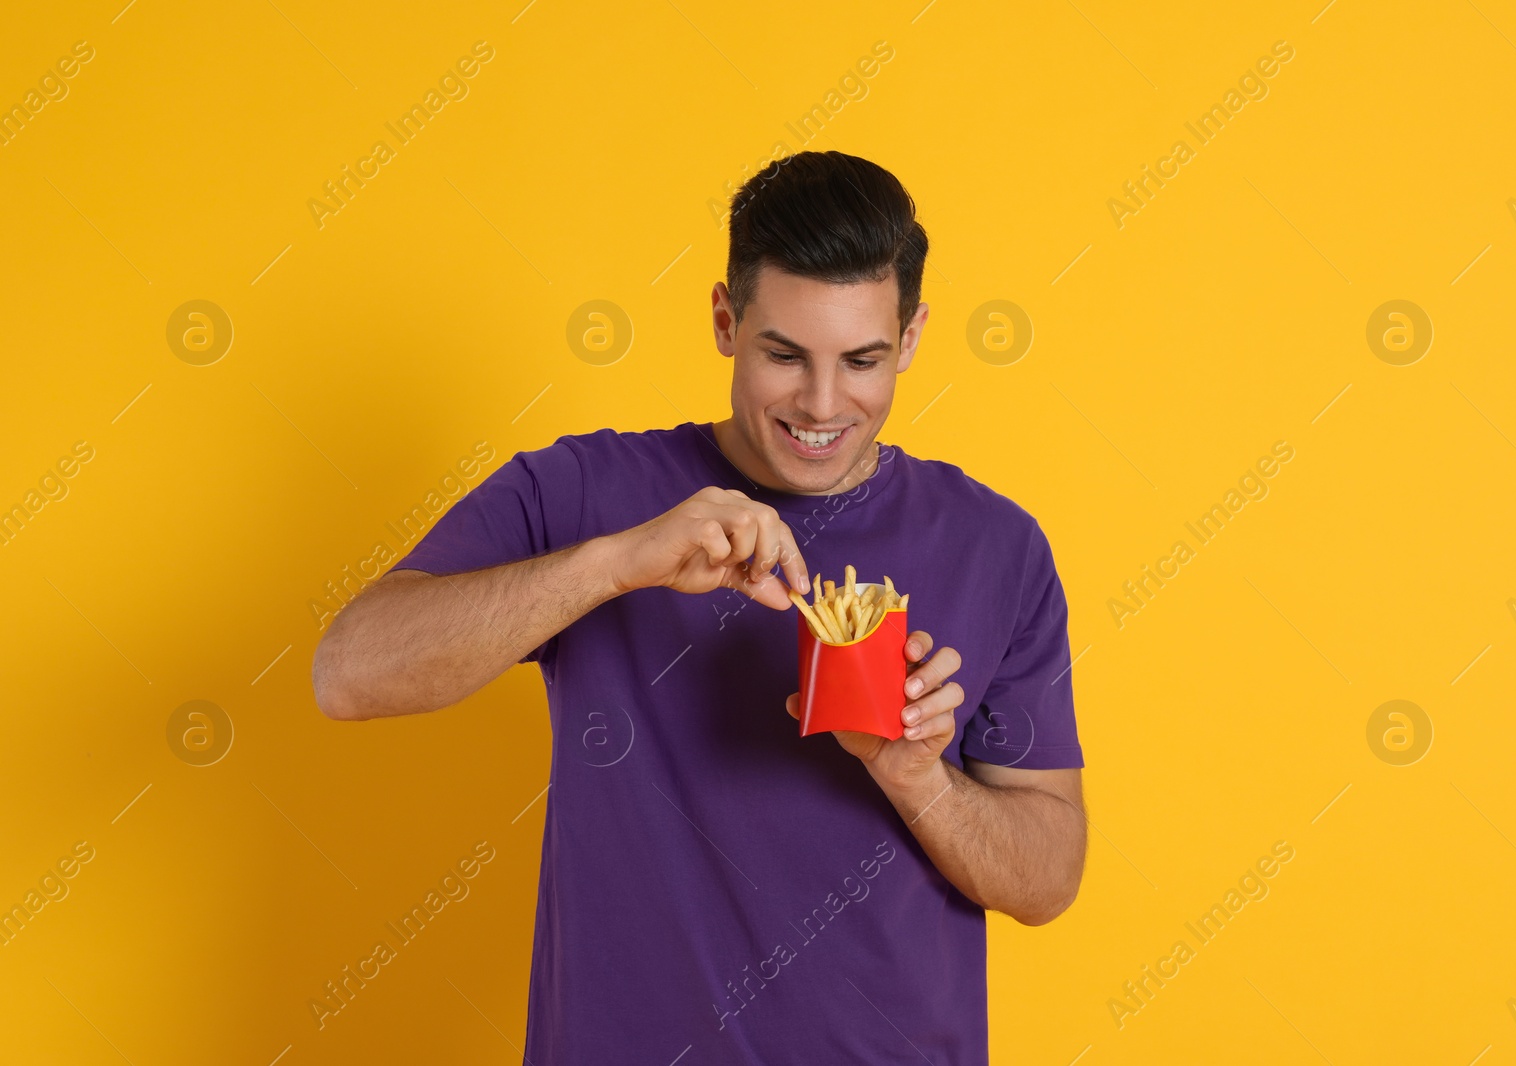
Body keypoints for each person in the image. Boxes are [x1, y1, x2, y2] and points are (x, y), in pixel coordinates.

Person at [312, 150, 1087, 1064]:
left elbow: (1046, 880)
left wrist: (919, 779)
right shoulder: (584, 491)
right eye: (784, 355)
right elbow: (348, 674)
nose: (824, 404)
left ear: (911, 338)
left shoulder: (996, 546)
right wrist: (614, 564)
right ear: (725, 320)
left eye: (864, 360)